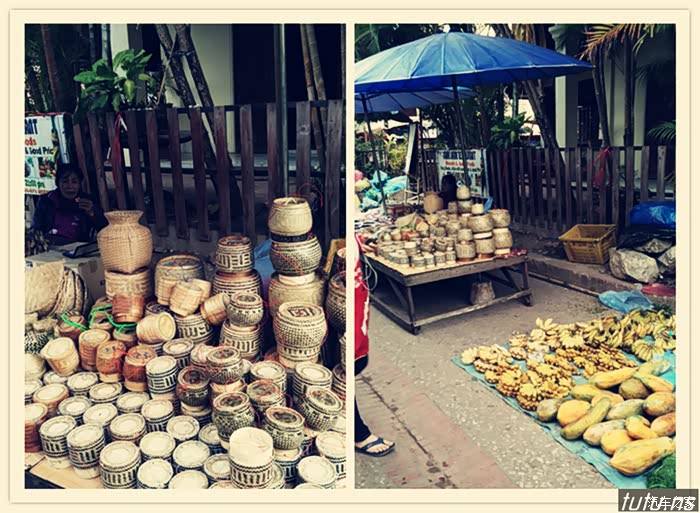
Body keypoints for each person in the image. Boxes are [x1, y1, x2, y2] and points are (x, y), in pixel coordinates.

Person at [354, 235, 396, 457]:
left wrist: (357, 241)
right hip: (351, 295)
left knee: (356, 359)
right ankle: (358, 433)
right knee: (350, 363)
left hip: (356, 294)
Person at [31, 163, 107, 245]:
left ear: (79, 184)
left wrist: (92, 213)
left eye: (74, 182)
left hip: (78, 248)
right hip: (50, 246)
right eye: (65, 182)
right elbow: (36, 229)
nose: (70, 186)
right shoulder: (46, 201)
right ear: (58, 183)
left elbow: (104, 230)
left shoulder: (87, 201)